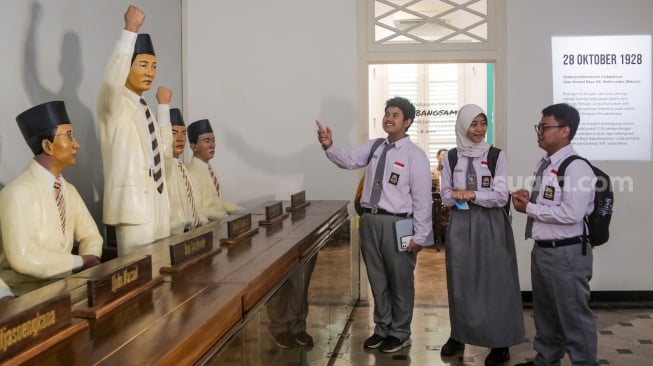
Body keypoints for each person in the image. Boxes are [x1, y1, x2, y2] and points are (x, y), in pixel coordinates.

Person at [316, 96, 432, 353]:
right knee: (377, 279)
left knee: (400, 280)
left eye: (395, 115)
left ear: (408, 122)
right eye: (387, 113)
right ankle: (382, 328)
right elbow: (347, 160)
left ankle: (400, 332)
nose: (389, 118)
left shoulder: (415, 156)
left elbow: (423, 199)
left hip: (399, 224)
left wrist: (421, 235)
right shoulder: (376, 147)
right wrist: (329, 146)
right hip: (370, 221)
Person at [512, 103, 598, 366]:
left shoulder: (577, 168)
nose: (539, 132)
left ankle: (585, 363)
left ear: (565, 131)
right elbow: (550, 203)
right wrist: (530, 198)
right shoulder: (545, 164)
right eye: (539, 126)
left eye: (545, 127)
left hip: (567, 253)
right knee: (545, 313)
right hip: (544, 250)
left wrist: (531, 208)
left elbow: (572, 214)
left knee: (573, 315)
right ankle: (545, 360)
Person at [439, 104, 524, 365]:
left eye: (482, 123)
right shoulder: (451, 157)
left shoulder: (496, 156)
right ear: (463, 125)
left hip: (492, 224)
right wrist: (459, 195)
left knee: (497, 282)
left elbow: (500, 196)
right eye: (473, 123)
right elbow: (445, 195)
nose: (479, 129)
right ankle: (459, 334)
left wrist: (471, 193)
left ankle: (500, 342)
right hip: (461, 223)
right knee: (460, 281)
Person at [0, 101, 102, 296]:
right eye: (69, 136)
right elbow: (24, 258)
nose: (76, 144)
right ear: (47, 146)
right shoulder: (17, 193)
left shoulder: (69, 191)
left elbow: (91, 235)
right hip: (23, 297)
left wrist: (90, 258)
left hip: (63, 290)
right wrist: (79, 262)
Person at [97, 5, 172, 255]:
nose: (150, 72)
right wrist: (130, 31)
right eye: (143, 65)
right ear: (126, 66)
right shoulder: (115, 103)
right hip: (132, 208)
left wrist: (163, 110)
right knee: (138, 279)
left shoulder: (144, 107)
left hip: (159, 203)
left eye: (153, 66)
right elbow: (111, 81)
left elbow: (164, 153)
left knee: (163, 279)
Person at [186, 119, 240, 221]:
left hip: (219, 224)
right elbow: (197, 210)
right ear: (194, 147)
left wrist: (238, 210)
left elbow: (218, 202)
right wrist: (223, 216)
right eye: (207, 141)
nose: (212, 145)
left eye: (213, 140)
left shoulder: (211, 170)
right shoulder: (191, 174)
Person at [165, 108, 208, 235]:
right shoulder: (164, 168)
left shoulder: (183, 168)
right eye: (174, 133)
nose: (180, 139)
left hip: (191, 231)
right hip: (174, 234)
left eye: (183, 133)